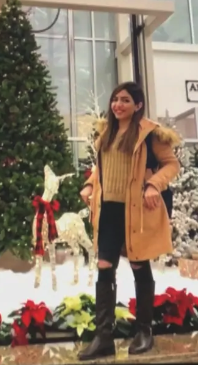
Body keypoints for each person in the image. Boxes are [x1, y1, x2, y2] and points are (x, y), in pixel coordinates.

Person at [78, 81, 180, 361]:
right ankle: (104, 338)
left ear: (138, 105)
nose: (118, 105)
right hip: (108, 209)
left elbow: (171, 164)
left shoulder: (150, 134)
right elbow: (103, 167)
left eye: (124, 100)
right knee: (104, 266)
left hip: (136, 210)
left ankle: (144, 331)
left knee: (138, 262)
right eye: (115, 99)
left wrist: (153, 185)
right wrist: (89, 185)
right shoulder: (107, 132)